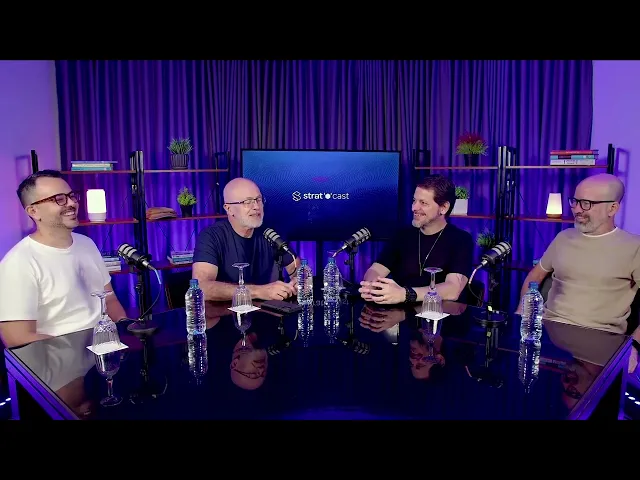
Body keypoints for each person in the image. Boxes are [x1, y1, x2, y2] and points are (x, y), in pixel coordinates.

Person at [516, 173, 640, 372]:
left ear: (612, 208)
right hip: (548, 336)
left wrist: (634, 345)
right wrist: (521, 313)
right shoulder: (563, 237)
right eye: (575, 201)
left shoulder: (634, 247)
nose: (577, 209)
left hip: (599, 344)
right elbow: (535, 276)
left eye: (586, 203)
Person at [0, 170, 128, 349]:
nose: (72, 203)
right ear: (33, 211)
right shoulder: (19, 263)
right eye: (59, 199)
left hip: (106, 349)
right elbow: (16, 337)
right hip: (60, 359)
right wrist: (77, 350)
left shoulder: (86, 244)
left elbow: (110, 299)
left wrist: (124, 327)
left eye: (71, 196)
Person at [359, 175, 474, 305]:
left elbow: (452, 289)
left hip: (440, 314)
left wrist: (406, 294)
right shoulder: (401, 235)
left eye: (423, 203)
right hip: (401, 313)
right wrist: (371, 286)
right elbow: (376, 270)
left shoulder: (461, 240)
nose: (414, 208)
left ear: (443, 208)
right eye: (414, 201)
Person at [192, 177, 299, 302]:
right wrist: (259, 291)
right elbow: (201, 287)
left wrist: (298, 281)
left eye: (258, 200)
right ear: (229, 209)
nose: (256, 206)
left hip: (267, 310)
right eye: (247, 202)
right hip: (227, 311)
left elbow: (297, 268)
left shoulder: (271, 232)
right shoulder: (211, 236)